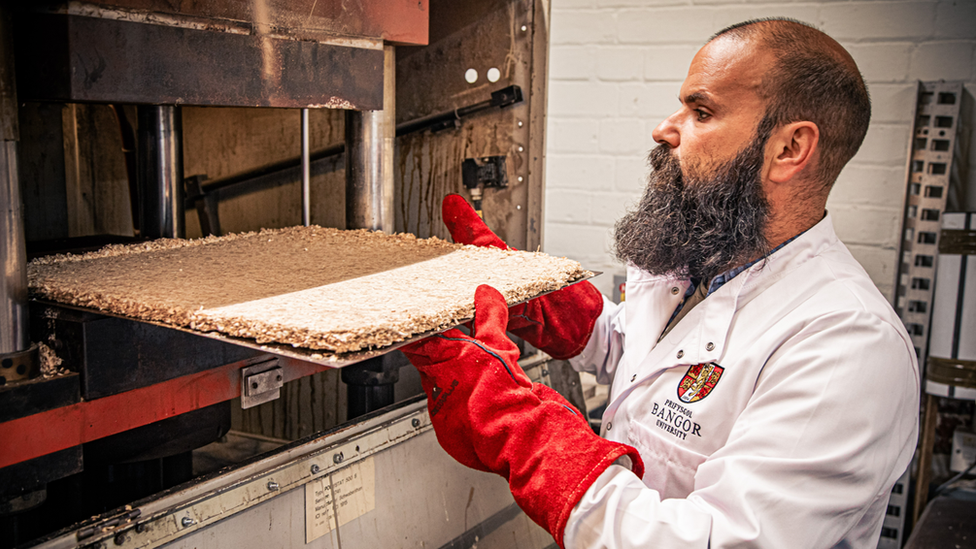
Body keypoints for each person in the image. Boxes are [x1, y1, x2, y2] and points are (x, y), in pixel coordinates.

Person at [402, 18, 919, 549]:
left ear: (789, 149)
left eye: (701, 112)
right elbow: (646, 363)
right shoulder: (703, 256)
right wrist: (554, 308)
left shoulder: (847, 346)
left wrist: (517, 423)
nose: (665, 129)